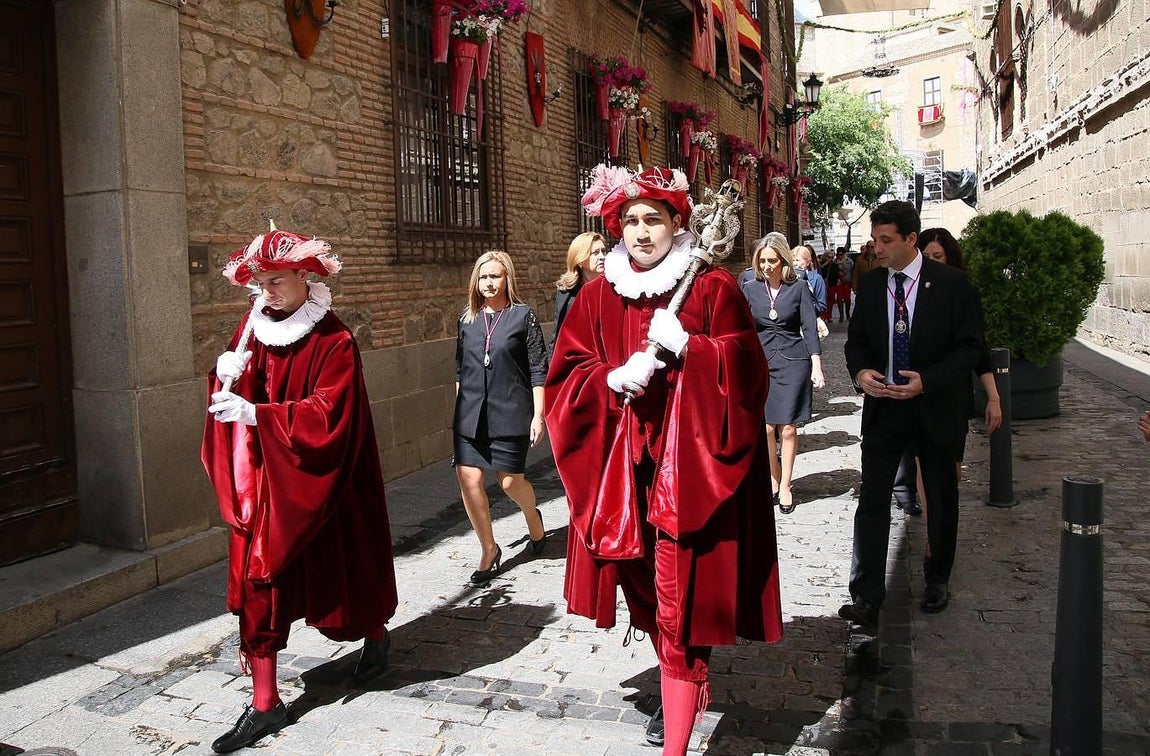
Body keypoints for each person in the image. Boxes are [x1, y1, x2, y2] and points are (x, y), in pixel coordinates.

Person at [546, 164, 783, 754]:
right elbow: (566, 374)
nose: (641, 232)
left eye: (654, 219)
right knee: (645, 589)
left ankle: (678, 726)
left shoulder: (711, 287)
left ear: (679, 224)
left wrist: (694, 352)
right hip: (622, 473)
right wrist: (607, 379)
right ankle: (681, 675)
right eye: (630, 221)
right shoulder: (597, 294)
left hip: (689, 472)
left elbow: (749, 372)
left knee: (680, 595)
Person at [202, 228, 398, 753]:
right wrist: (223, 377)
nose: (268, 292)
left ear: (304, 278)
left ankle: (375, 636)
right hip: (268, 482)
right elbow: (233, 395)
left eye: (278, 281)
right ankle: (265, 703)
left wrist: (258, 414)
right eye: (260, 283)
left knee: (348, 562)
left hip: (329, 477)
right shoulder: (251, 329)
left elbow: (330, 413)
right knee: (260, 579)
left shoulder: (333, 339)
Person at [841, 200, 985, 628]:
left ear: (910, 239)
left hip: (935, 408)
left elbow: (971, 348)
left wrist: (928, 379)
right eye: (875, 239)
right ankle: (866, 594)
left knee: (940, 496)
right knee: (872, 499)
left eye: (886, 240)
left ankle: (937, 577)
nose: (878, 248)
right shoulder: (870, 287)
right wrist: (861, 371)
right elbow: (857, 343)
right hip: (885, 409)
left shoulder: (952, 285)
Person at [893, 228, 1003, 518]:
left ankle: (943, 518)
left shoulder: (962, 290)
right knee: (920, 459)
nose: (931, 261)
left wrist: (993, 397)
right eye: (926, 256)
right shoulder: (907, 291)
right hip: (917, 393)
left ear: (950, 257)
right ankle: (933, 528)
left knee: (950, 464)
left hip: (952, 395)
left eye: (937, 256)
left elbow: (978, 349)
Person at [454, 251, 548, 585]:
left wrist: (539, 415)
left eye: (495, 276)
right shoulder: (467, 319)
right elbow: (460, 368)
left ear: (507, 278)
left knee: (509, 482)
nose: (489, 283)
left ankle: (532, 517)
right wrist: (459, 409)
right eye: (483, 277)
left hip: (511, 411)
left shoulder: (523, 316)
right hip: (470, 413)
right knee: (468, 477)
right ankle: (488, 549)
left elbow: (538, 367)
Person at [742, 236, 825, 515]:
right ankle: (772, 476)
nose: (766, 266)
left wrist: (816, 364)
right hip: (760, 363)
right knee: (766, 428)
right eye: (762, 261)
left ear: (783, 262)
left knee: (788, 427)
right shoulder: (750, 289)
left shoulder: (799, 287)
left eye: (772, 261)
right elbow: (741, 328)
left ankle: (787, 484)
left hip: (794, 361)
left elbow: (809, 327)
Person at [553, 231, 607, 347]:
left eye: (603, 251)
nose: (602, 257)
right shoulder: (567, 294)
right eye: (595, 253)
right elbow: (558, 335)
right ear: (580, 260)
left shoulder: (613, 288)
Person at [791, 244, 828, 318]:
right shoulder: (786, 277)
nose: (795, 264)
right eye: (792, 260)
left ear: (807, 262)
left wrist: (804, 306)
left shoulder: (816, 279)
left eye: (797, 260)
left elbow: (822, 306)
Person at [835, 248, 855, 321]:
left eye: (841, 254)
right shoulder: (835, 262)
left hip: (847, 282)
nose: (839, 256)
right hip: (839, 283)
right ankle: (841, 315)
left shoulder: (849, 261)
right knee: (839, 299)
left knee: (847, 299)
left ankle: (847, 314)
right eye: (838, 254)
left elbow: (852, 271)